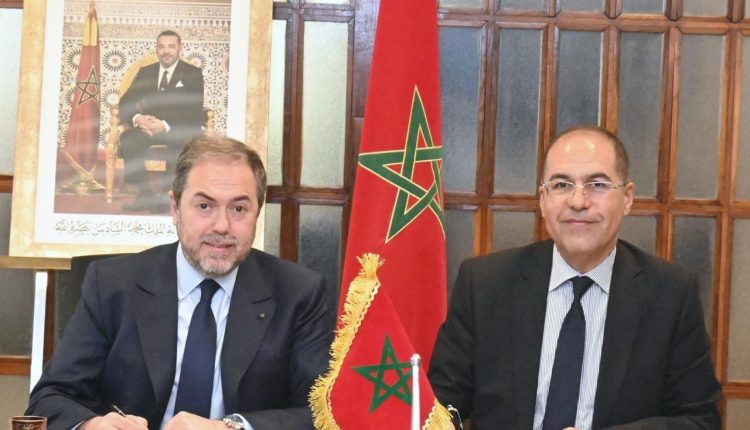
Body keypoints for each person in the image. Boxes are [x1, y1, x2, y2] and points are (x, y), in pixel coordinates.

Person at [27, 135, 335, 430]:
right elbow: (51, 398)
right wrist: (94, 425)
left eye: (239, 209)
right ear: (175, 209)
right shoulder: (112, 284)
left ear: (257, 213)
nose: (222, 226)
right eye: (204, 206)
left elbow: (323, 413)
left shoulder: (298, 293)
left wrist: (232, 428)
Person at [428, 126, 721, 429]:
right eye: (562, 185)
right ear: (543, 199)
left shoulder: (670, 295)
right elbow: (438, 409)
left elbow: (700, 420)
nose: (578, 201)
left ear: (627, 198)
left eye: (597, 184)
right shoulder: (485, 285)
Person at [118, 30, 205, 213]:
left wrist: (164, 125)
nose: (166, 51)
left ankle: (168, 196)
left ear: (180, 48)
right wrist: (138, 118)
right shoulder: (146, 72)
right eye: (161, 47)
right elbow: (126, 101)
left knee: (181, 143)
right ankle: (145, 194)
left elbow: (193, 108)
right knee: (129, 139)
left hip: (177, 128)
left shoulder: (193, 73)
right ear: (156, 49)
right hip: (148, 128)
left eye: (171, 46)